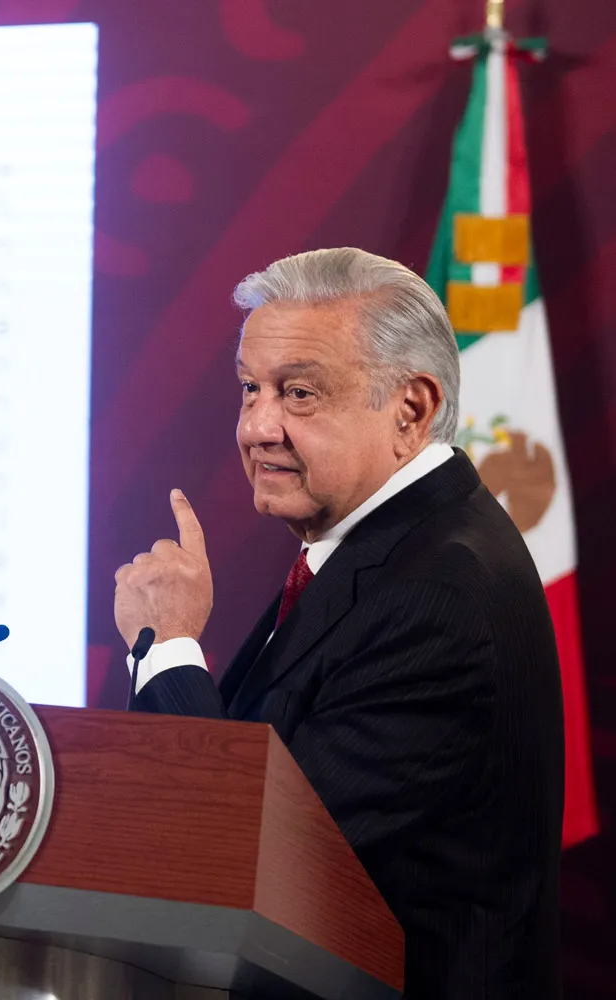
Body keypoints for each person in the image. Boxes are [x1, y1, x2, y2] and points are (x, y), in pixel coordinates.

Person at [113, 248, 561, 998]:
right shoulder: (378, 548)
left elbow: (239, 862)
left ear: (410, 411)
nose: (257, 428)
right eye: (250, 388)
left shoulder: (438, 596)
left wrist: (169, 648)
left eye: (300, 393)